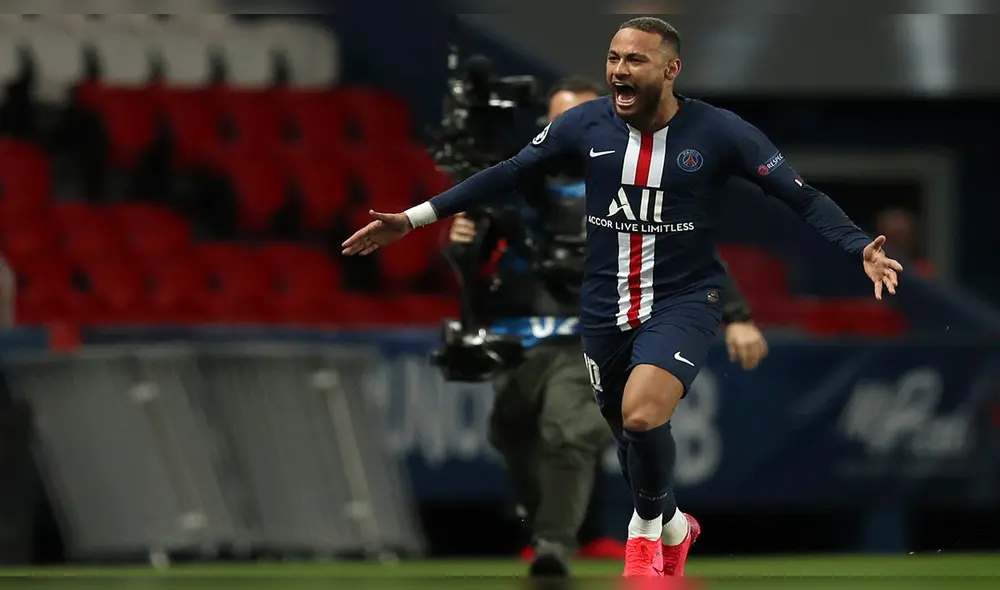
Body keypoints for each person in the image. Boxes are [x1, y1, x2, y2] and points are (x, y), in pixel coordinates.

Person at [343, 17, 902, 578]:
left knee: (641, 415)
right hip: (603, 306)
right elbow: (510, 173)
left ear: (670, 69)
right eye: (614, 58)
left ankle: (643, 531)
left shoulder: (721, 131)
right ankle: (677, 524)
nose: (619, 70)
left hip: (684, 298)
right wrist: (413, 219)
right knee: (630, 437)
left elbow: (800, 196)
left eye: (635, 60)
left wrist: (859, 249)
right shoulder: (584, 125)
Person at [447, 76, 770, 578]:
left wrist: (737, 315)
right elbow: (471, 263)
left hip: (596, 330)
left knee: (568, 432)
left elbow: (688, 255)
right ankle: (557, 528)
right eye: (558, 119)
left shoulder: (634, 177)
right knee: (511, 433)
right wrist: (464, 242)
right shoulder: (520, 184)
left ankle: (554, 544)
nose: (569, 128)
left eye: (578, 116)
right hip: (521, 335)